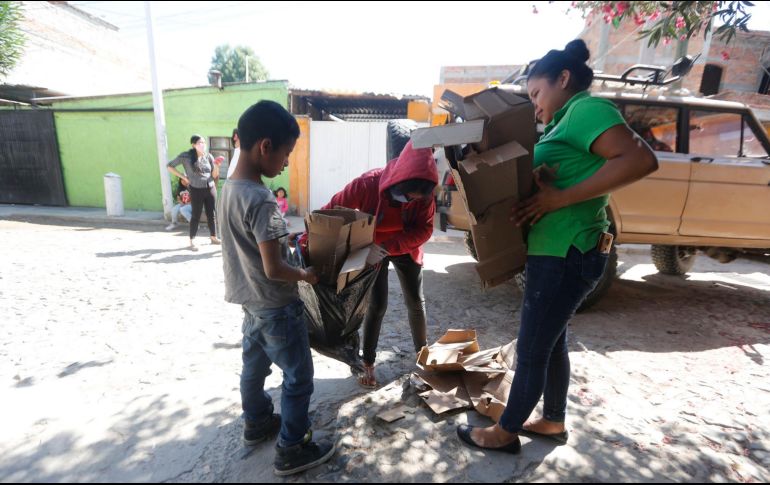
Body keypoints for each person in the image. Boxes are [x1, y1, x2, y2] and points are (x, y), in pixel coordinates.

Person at [456, 39, 658, 453]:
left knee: (531, 348)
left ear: (563, 79)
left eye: (535, 94)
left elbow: (640, 159)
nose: (533, 105)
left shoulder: (586, 109)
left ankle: (505, 432)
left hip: (568, 251)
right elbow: (569, 172)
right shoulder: (563, 121)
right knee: (551, 342)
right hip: (558, 251)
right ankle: (551, 420)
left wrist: (557, 198)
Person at [218, 100, 335, 476]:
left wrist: (285, 239)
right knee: (299, 376)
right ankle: (292, 446)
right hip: (277, 306)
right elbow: (274, 268)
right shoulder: (263, 199)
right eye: (286, 154)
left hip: (249, 303)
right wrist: (306, 276)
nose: (286, 163)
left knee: (254, 368)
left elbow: (254, 248)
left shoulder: (229, 189)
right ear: (264, 147)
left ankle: (256, 422)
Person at [321, 140, 438, 389]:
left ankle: (422, 356)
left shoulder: (426, 194)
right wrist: (310, 237)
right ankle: (369, 362)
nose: (409, 202)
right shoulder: (367, 184)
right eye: (407, 196)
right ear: (399, 181)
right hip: (372, 247)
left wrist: (390, 248)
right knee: (377, 305)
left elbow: (425, 229)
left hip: (405, 246)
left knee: (416, 302)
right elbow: (330, 210)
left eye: (415, 199)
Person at [167, 135, 224, 251]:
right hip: (196, 189)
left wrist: (217, 166)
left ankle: (213, 237)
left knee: (211, 214)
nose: (203, 145)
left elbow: (214, 175)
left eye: (204, 142)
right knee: (195, 215)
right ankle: (192, 241)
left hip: (210, 188)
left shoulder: (208, 156)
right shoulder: (186, 156)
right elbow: (169, 166)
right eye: (199, 143)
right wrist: (183, 177)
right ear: (193, 145)